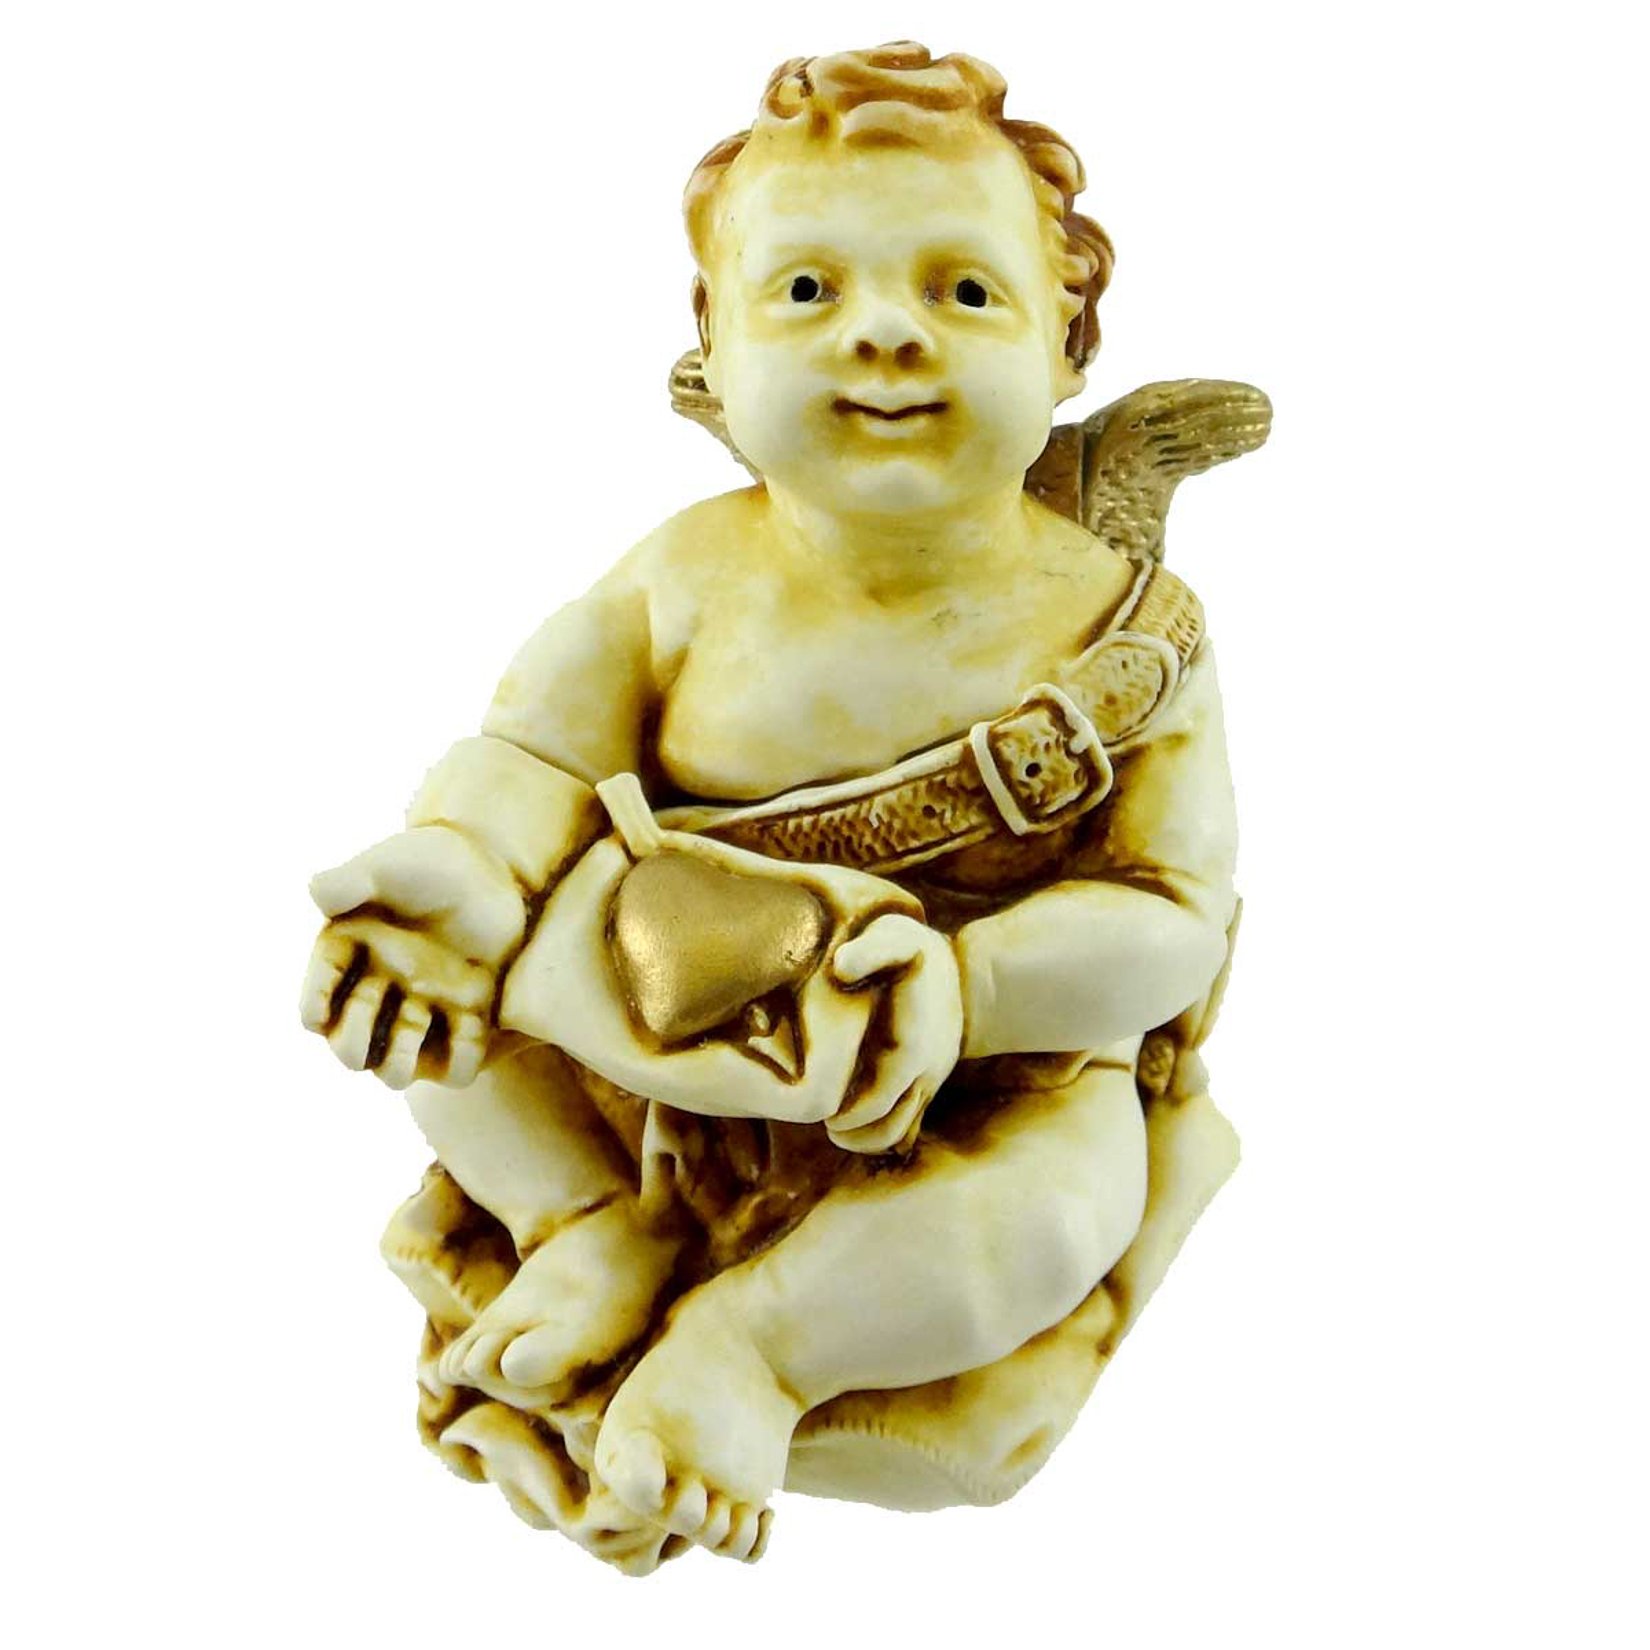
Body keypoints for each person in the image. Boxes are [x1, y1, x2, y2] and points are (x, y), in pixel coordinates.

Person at [302, 41, 1246, 1572]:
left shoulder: (1127, 642)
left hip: (970, 1084)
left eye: (963, 291)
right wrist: (460, 878)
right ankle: (587, 1222)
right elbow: (527, 760)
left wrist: (969, 985)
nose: (883, 332)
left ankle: (753, 1345)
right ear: (714, 349)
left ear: (1067, 346)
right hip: (651, 1047)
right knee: (456, 1033)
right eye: (806, 290)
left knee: (1050, 1218)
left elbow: (1171, 917)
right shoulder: (678, 576)